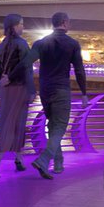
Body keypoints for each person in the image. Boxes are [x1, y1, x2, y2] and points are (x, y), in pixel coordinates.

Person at [31, 10, 92, 177]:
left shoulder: (41, 43)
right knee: (60, 126)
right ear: (65, 23)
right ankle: (44, 160)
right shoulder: (72, 44)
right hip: (61, 90)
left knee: (52, 125)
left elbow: (25, 64)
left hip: (44, 90)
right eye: (69, 22)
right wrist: (84, 93)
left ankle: (58, 163)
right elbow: (79, 70)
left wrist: (30, 87)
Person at [0, 12, 34, 178]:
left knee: (5, 123)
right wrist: (31, 90)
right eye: (21, 24)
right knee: (17, 124)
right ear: (14, 26)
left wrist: (1, 87)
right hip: (20, 88)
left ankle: (18, 160)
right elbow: (26, 68)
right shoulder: (21, 44)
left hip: (6, 91)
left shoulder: (0, 47)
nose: (23, 27)